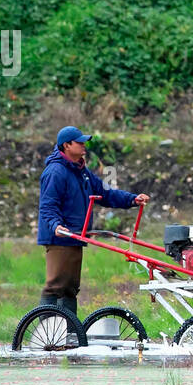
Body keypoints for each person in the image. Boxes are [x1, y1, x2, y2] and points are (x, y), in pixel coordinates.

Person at [37, 125, 151, 316]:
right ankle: (45, 333)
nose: (84, 146)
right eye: (79, 142)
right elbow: (48, 205)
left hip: (76, 236)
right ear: (66, 145)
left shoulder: (81, 171)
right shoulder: (55, 172)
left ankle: (70, 333)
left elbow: (105, 193)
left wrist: (132, 199)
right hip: (59, 237)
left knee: (71, 288)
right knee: (55, 286)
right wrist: (56, 225)